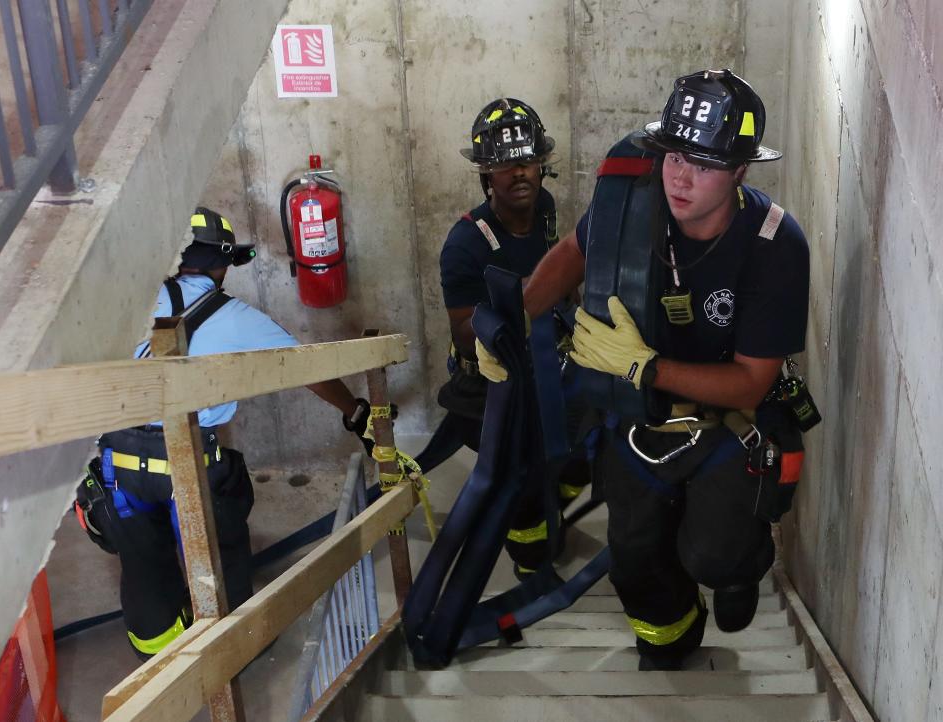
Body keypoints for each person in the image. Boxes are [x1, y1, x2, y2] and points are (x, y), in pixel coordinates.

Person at [477, 69, 811, 669]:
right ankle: (672, 639)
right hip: (640, 418)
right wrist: (515, 319)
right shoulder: (633, 202)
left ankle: (736, 572)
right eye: (674, 155)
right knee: (633, 553)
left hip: (729, 423)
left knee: (714, 553)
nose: (681, 176)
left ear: (740, 171)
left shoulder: (774, 245)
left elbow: (752, 381)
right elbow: (577, 249)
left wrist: (643, 366)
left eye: (704, 163)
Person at [73, 207, 379, 659]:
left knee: (142, 563)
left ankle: (157, 653)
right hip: (189, 471)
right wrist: (355, 412)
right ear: (219, 263)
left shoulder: (127, 302)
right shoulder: (234, 316)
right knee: (219, 555)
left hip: (118, 465)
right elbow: (309, 369)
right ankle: (234, 647)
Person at [436, 97, 589, 578]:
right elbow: (463, 335)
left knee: (592, 435)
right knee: (521, 477)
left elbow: (565, 279)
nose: (519, 173)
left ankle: (551, 497)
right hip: (488, 386)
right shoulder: (466, 243)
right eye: (506, 166)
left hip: (545, 366)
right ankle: (531, 562)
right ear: (486, 177)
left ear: (542, 166)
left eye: (527, 161)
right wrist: (521, 303)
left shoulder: (544, 211)